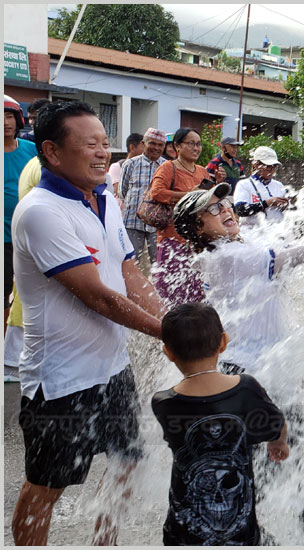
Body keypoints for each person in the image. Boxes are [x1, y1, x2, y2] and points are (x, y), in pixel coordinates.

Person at [172, 183, 304, 535]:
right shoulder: (224, 257)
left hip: (273, 363)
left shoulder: (242, 243)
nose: (227, 209)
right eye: (214, 210)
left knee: (289, 438)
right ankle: (246, 526)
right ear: (199, 227)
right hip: (242, 369)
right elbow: (291, 255)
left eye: (225, 203)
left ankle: (302, 506)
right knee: (246, 453)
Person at [10, 100, 165, 546]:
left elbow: (130, 275)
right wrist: (169, 335)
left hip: (112, 367)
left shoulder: (105, 201)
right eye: (90, 144)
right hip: (60, 380)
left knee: (127, 461)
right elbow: (98, 296)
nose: (103, 154)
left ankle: (104, 542)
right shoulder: (41, 212)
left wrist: (170, 317)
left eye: (105, 143)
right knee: (47, 486)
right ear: (53, 152)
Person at [152, 303, 289, 545]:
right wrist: (278, 444)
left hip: (182, 535)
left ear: (168, 353)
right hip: (241, 536)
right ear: (223, 343)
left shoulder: (163, 403)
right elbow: (277, 425)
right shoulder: (246, 389)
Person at [150, 127, 224, 305]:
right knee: (172, 289)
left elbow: (207, 201)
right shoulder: (168, 168)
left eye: (198, 144)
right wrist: (188, 194)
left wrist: (218, 184)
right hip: (173, 237)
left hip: (197, 239)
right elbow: (157, 193)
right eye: (191, 143)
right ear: (177, 146)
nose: (196, 148)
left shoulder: (202, 171)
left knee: (197, 289)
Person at [4, 95, 37, 331]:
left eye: (9, 116)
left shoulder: (32, 150)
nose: (5, 122)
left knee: (29, 293)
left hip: (29, 234)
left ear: (18, 120)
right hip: (3, 238)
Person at [119, 127, 166, 272]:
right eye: (152, 143)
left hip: (157, 223)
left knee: (158, 264)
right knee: (130, 263)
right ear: (144, 143)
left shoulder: (167, 166)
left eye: (160, 145)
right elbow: (122, 191)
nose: (156, 148)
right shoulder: (130, 164)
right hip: (132, 221)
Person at [233, 145, 291, 226]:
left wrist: (285, 206)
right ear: (256, 165)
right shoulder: (244, 184)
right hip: (253, 234)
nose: (271, 170)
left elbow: (289, 212)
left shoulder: (279, 185)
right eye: (268, 166)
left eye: (274, 167)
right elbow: (240, 210)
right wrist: (266, 203)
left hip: (277, 233)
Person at [108, 132, 144, 200]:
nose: (145, 151)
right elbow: (117, 191)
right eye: (143, 147)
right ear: (132, 147)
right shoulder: (117, 166)